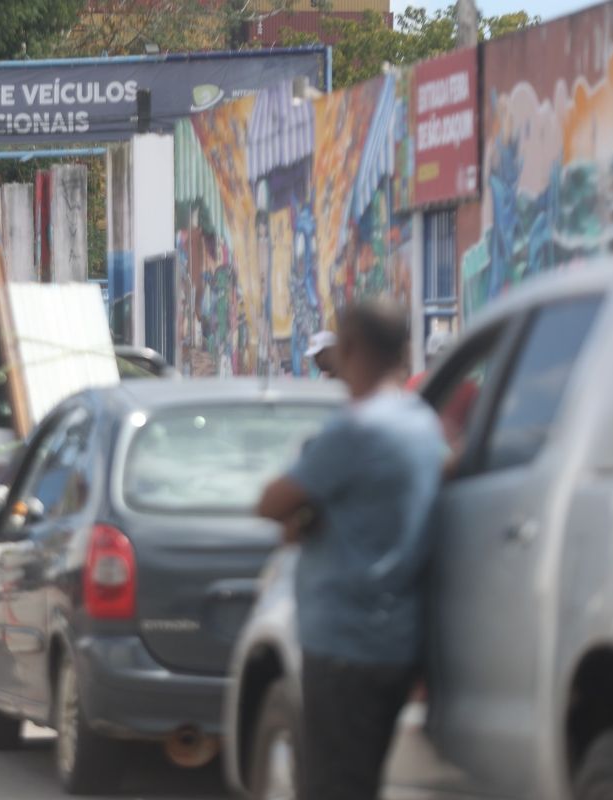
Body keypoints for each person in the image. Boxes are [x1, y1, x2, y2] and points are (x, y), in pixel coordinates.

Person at [257, 301, 446, 800]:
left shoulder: (356, 428)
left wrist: (303, 517)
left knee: (333, 786)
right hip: (396, 644)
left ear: (352, 349)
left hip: (344, 647)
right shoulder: (422, 424)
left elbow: (272, 503)